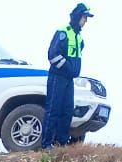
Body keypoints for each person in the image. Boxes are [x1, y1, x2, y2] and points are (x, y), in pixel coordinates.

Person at [43, 4, 94, 148]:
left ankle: (61, 143)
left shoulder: (79, 37)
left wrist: (71, 71)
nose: (86, 21)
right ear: (78, 17)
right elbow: (53, 55)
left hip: (69, 80)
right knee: (54, 110)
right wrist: (67, 68)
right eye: (85, 17)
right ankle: (46, 144)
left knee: (67, 111)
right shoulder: (63, 32)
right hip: (57, 77)